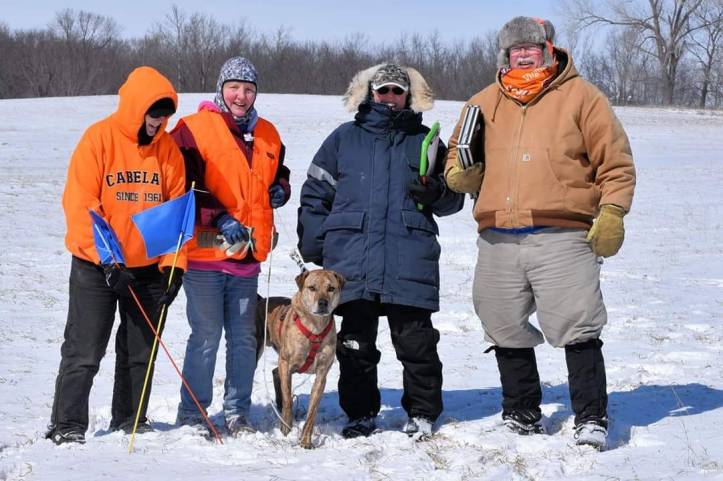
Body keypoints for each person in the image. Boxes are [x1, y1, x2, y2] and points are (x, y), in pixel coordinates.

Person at [444, 17, 636, 450]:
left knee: (578, 323)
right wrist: (460, 173)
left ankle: (590, 416)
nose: (524, 54)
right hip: (497, 235)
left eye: (532, 47)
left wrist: (613, 211)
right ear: (505, 55)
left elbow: (616, 162)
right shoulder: (482, 102)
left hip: (562, 234)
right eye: (516, 49)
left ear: (549, 50)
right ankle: (522, 412)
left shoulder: (583, 97)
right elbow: (457, 155)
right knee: (502, 322)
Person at [297, 63, 464, 439]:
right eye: (383, 90)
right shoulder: (344, 139)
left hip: (409, 257)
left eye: (397, 91)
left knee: (416, 342)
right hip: (352, 258)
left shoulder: (426, 141)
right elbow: (315, 193)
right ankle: (360, 413)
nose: (390, 97)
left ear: (409, 96)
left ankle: (422, 412)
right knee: (355, 343)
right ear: (370, 93)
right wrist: (315, 243)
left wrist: (436, 192)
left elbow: (454, 199)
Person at [46, 66, 187, 445]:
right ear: (135, 108)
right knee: (85, 350)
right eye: (153, 115)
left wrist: (174, 266)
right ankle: (66, 424)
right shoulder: (98, 139)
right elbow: (81, 205)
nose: (159, 123)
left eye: (165, 116)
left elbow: (175, 213)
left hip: (147, 270)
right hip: (97, 267)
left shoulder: (168, 151)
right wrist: (109, 260)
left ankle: (130, 419)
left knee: (140, 351)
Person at [171, 56, 290, 436]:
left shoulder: (268, 133)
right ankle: (193, 415)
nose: (241, 95)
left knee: (244, 338)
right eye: (234, 87)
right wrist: (219, 217)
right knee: (206, 336)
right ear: (221, 89)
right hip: (206, 254)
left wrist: (280, 189)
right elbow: (183, 184)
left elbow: (280, 172)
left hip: (247, 257)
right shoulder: (192, 129)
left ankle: (238, 413)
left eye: (249, 89)